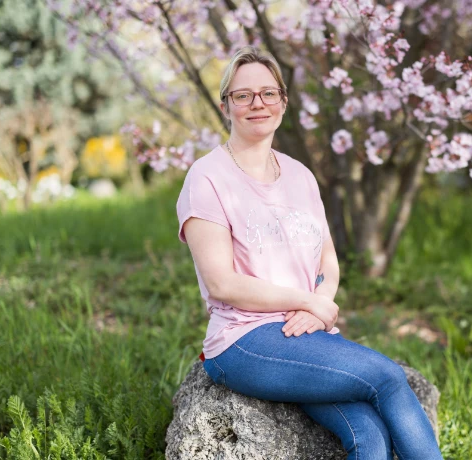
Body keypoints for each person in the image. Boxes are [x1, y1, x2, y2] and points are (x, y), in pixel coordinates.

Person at [176, 45, 443, 460]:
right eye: (243, 95)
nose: (257, 104)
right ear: (226, 105)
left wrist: (318, 304)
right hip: (244, 341)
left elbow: (328, 261)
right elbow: (221, 283)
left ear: (283, 101)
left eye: (268, 93)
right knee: (388, 377)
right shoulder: (207, 177)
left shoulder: (300, 176)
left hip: (306, 334)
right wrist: (308, 301)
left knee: (369, 434)